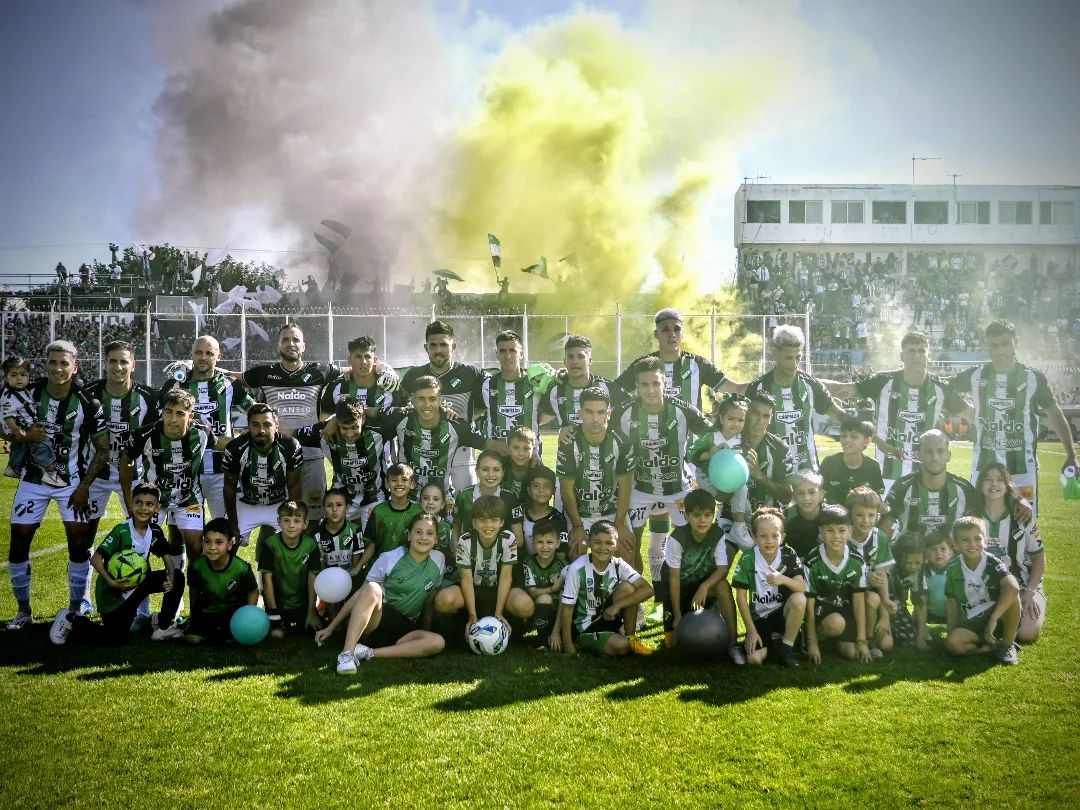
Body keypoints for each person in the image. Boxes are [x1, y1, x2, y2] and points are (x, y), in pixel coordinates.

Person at [6, 340, 110, 629]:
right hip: (33, 480)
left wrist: (84, 487)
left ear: (74, 366)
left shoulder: (89, 403)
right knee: (19, 542)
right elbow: (2, 423)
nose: (58, 368)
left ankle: (76, 608)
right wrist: (23, 437)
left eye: (64, 363)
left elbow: (103, 449)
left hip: (72, 483)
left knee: (78, 545)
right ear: (46, 365)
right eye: (53, 362)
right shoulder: (28, 392)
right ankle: (23, 611)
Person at [945, 319, 1077, 510]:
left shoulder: (1033, 378)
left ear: (1016, 343)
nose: (1000, 351)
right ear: (987, 346)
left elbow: (1054, 414)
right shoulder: (976, 376)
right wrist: (967, 411)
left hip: (1022, 471)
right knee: (980, 528)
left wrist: (1071, 454)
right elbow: (944, 390)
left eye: (1006, 344)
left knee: (1023, 527)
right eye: (994, 345)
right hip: (983, 470)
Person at [48, 483, 185, 646]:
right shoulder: (121, 531)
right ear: (131, 505)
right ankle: (71, 618)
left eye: (149, 504)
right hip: (114, 592)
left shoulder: (155, 531)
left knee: (178, 576)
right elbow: (96, 559)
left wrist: (169, 577)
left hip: (138, 585)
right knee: (115, 639)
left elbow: (168, 560)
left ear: (157, 508)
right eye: (138, 503)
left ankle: (163, 626)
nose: (143, 508)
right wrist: (112, 582)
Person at [615, 355, 710, 577]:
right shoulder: (623, 412)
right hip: (639, 489)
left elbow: (712, 434)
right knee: (629, 545)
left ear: (664, 383)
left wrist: (712, 450)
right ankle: (635, 599)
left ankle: (680, 599)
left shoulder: (684, 410)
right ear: (636, 386)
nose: (650, 390)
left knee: (691, 545)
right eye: (644, 385)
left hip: (678, 488)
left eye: (656, 383)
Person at [317, 513, 448, 674]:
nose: (423, 537)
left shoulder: (439, 560)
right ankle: (347, 654)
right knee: (372, 588)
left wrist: (425, 627)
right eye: (418, 532)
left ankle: (368, 653)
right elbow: (362, 594)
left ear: (435, 539)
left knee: (437, 642)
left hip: (405, 629)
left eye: (430, 533)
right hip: (376, 620)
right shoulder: (390, 558)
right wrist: (331, 627)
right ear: (409, 535)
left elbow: (430, 597)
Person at [823, 331, 953, 492]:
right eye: (911, 351)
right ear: (901, 355)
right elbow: (842, 389)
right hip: (886, 476)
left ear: (929, 355)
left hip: (926, 477)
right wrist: (807, 379)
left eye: (921, 350)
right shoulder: (883, 381)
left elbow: (971, 413)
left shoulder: (941, 388)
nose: (916, 355)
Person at [241, 324, 343, 520]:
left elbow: (351, 372)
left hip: (311, 456)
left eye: (296, 340)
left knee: (313, 518)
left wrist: (380, 366)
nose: (291, 344)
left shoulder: (320, 371)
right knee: (271, 521)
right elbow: (233, 381)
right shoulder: (263, 373)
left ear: (303, 346)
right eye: (285, 340)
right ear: (277, 346)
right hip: (275, 457)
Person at [160, 335, 256, 522]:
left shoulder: (229, 384)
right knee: (180, 531)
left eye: (209, 353)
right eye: (199, 352)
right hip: (185, 471)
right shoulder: (177, 384)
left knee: (223, 527)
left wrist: (246, 438)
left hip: (222, 471)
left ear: (218, 357)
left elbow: (256, 412)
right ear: (192, 355)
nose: (203, 357)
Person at [121, 388, 212, 570]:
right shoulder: (144, 434)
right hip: (153, 501)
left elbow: (224, 444)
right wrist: (129, 500)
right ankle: (140, 596)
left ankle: (192, 594)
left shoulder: (203, 433)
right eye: (168, 412)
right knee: (140, 550)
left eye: (180, 413)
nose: (172, 419)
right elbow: (126, 462)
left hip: (188, 499)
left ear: (190, 415)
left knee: (195, 546)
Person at [396, 320, 487, 491]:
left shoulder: (471, 374)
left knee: (463, 505)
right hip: (421, 456)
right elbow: (399, 407)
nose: (438, 350)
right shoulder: (413, 375)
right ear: (426, 347)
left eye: (443, 345)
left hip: (461, 454)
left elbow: (482, 407)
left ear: (454, 346)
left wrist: (457, 423)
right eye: (433, 345)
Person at [377, 375, 501, 498]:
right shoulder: (401, 417)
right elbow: (369, 413)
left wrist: (515, 452)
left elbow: (488, 444)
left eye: (432, 399)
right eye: (421, 399)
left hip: (441, 499)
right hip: (407, 498)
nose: (427, 405)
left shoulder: (456, 425)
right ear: (413, 400)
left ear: (440, 400)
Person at [745, 324, 848, 472]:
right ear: (775, 353)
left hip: (807, 474)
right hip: (771, 473)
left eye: (798, 358)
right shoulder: (758, 388)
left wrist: (868, 432)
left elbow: (838, 414)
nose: (794, 364)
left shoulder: (812, 385)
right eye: (788, 358)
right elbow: (746, 430)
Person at [83, 341, 160, 537]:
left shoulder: (148, 397)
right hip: (95, 476)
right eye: (113, 361)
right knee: (84, 536)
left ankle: (139, 568)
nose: (118, 367)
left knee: (141, 532)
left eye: (124, 362)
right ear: (105, 364)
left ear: (133, 365)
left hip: (135, 476)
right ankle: (84, 568)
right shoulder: (88, 395)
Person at [659, 489, 744, 664]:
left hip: (700, 588)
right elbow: (673, 578)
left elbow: (722, 568)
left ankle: (733, 644)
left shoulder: (718, 534)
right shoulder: (676, 538)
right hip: (677, 591)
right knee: (672, 644)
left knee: (723, 586)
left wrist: (704, 586)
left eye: (707, 515)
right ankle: (677, 618)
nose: (703, 520)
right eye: (696, 515)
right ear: (687, 516)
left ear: (713, 515)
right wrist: (677, 616)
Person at [434, 494, 533, 640]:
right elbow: (466, 580)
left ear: (501, 522)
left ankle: (509, 622)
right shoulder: (465, 540)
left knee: (526, 606)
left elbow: (506, 577)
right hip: (474, 589)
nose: (488, 525)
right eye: (482, 520)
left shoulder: (508, 539)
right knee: (443, 600)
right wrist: (472, 614)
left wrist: (498, 613)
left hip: (498, 590)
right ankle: (464, 620)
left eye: (494, 520)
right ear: (474, 522)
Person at [556, 387, 633, 560]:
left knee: (627, 551)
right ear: (580, 413)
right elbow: (566, 491)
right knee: (577, 551)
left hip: (611, 510)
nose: (595, 419)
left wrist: (619, 524)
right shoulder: (569, 442)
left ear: (609, 414)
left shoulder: (621, 441)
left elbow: (625, 487)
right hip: (580, 514)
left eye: (601, 412)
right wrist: (577, 526)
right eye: (589, 412)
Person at [559, 520, 654, 657]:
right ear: (589, 543)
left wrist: (617, 606)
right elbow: (567, 608)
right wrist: (568, 646)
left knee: (629, 588)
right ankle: (580, 642)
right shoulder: (577, 568)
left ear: (616, 545)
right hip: (585, 626)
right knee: (621, 647)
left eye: (609, 543)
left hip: (607, 616)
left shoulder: (618, 564)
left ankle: (631, 638)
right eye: (597, 542)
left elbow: (648, 589)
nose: (603, 548)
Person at [974, 462, 1045, 644]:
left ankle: (1029, 602)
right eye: (988, 479)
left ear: (1007, 485)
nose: (993, 484)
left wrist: (1029, 591)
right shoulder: (971, 517)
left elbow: (1038, 557)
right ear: (980, 484)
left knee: (1027, 634)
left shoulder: (1022, 516)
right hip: (985, 588)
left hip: (1022, 584)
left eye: (999, 480)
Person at [731, 507, 806, 668]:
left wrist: (782, 579)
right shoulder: (748, 558)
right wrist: (751, 630)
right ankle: (774, 642)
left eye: (775, 536)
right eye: (763, 536)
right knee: (754, 660)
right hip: (760, 618)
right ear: (754, 536)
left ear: (783, 537)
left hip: (783, 612)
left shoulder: (788, 554)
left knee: (799, 599)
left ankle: (786, 650)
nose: (769, 541)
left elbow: (801, 587)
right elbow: (741, 597)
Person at [223, 403, 304, 548]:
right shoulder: (235, 448)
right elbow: (229, 488)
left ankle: (269, 570)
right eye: (255, 425)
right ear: (248, 427)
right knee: (226, 544)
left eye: (267, 424)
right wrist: (233, 526)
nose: (261, 430)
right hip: (246, 504)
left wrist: (293, 519)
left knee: (295, 545)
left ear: (276, 425)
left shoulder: (291, 446)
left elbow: (294, 486)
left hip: (279, 503)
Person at [943, 516, 1021, 665]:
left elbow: (1013, 587)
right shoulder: (952, 568)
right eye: (965, 540)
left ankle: (1007, 645)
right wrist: (950, 634)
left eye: (977, 539)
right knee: (954, 644)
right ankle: (991, 647)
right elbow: (951, 603)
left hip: (997, 617)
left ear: (985, 541)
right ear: (955, 545)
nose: (972, 544)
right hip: (972, 621)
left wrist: (993, 618)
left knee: (1011, 594)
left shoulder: (992, 562)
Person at [297, 397, 386, 527]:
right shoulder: (324, 431)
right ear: (338, 423)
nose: (349, 434)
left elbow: (404, 413)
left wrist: (333, 419)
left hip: (375, 497)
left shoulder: (379, 429)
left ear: (364, 420)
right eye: (344, 428)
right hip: (343, 498)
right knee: (331, 539)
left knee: (374, 541)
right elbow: (294, 435)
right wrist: (331, 421)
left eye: (354, 427)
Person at [803, 505, 871, 664]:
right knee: (835, 623)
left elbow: (859, 601)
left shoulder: (857, 561)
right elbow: (809, 605)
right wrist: (811, 642)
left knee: (853, 653)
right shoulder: (812, 562)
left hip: (844, 611)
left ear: (850, 530)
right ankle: (816, 637)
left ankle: (835, 642)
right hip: (823, 613)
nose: (836, 536)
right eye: (830, 530)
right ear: (821, 531)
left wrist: (862, 641)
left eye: (841, 530)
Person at [879, 430, 976, 539]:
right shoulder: (903, 485)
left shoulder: (964, 488)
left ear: (948, 456)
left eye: (940, 451)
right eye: (929, 452)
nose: (935, 457)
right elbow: (882, 530)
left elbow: (976, 530)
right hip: (909, 554)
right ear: (919, 456)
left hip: (950, 554)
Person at [686, 393, 751, 547]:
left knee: (743, 491)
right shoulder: (710, 436)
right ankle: (701, 533)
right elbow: (691, 454)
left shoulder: (742, 441)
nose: (736, 424)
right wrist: (710, 453)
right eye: (731, 419)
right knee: (709, 503)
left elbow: (743, 463)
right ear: (721, 418)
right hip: (707, 477)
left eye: (740, 420)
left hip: (731, 480)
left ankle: (740, 526)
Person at [184, 518, 260, 644]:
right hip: (208, 611)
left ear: (229, 545)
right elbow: (194, 591)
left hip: (233, 613)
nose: (212, 547)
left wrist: (247, 618)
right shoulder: (197, 567)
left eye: (219, 542)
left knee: (232, 641)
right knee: (192, 639)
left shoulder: (241, 568)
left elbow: (253, 591)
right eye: (207, 542)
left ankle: (223, 633)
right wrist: (194, 616)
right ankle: (209, 631)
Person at [477, 329, 554, 449]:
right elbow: (473, 414)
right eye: (503, 351)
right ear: (497, 354)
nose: (508, 356)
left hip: (529, 458)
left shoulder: (535, 382)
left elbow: (552, 409)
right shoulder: (486, 384)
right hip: (496, 460)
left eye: (512, 351)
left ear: (521, 354)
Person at [258, 500, 321, 639]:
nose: (291, 525)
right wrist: (274, 612)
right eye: (286, 520)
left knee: (313, 631)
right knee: (277, 635)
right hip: (278, 603)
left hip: (302, 604)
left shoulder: (310, 545)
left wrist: (311, 611)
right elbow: (266, 579)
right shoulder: (270, 544)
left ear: (305, 523)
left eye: (297, 521)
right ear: (278, 521)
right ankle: (276, 620)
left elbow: (313, 579)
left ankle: (311, 615)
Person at [846, 487, 895, 657]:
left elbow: (881, 573)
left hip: (869, 592)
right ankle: (854, 636)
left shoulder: (879, 537)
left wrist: (886, 598)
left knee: (887, 645)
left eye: (871, 515)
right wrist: (867, 577)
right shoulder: (843, 536)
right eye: (859, 515)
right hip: (845, 589)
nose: (866, 520)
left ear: (877, 515)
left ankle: (869, 638)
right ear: (850, 514)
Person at [1, 355, 61, 485]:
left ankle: (13, 467)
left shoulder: (23, 390)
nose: (19, 378)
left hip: (22, 425)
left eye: (23, 375)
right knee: (41, 444)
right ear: (5, 377)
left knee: (21, 446)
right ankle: (50, 474)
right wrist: (17, 430)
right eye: (13, 375)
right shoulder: (8, 396)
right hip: (19, 426)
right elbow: (7, 416)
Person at [542, 334, 623, 429]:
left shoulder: (607, 388)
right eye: (570, 357)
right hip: (568, 444)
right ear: (565, 361)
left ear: (590, 361)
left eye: (581, 356)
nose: (575, 361)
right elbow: (538, 418)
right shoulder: (554, 390)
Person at [451, 449, 525, 551]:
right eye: (485, 469)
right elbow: (456, 525)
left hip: (501, 556)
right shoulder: (464, 495)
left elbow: (519, 540)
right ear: (476, 471)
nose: (491, 474)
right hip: (469, 555)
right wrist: (456, 545)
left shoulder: (510, 498)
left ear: (503, 472)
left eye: (496, 469)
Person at [738, 389, 793, 512]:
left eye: (766, 416)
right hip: (731, 518)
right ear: (746, 413)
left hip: (768, 520)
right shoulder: (731, 442)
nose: (760, 421)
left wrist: (759, 476)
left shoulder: (780, 448)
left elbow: (787, 497)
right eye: (755, 414)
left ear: (771, 418)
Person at [318, 335, 396, 420]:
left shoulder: (389, 385)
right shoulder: (336, 387)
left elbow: (402, 417)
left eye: (367, 356)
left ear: (374, 360)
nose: (363, 362)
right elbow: (323, 422)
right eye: (358, 356)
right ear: (349, 360)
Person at [519, 516, 567, 649]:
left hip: (557, 611)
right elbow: (533, 592)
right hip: (536, 608)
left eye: (550, 542)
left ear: (558, 543)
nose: (545, 547)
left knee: (563, 596)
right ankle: (537, 639)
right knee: (544, 598)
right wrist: (553, 588)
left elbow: (566, 598)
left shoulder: (564, 566)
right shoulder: (528, 563)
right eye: (540, 542)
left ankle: (556, 633)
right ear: (533, 542)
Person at [313, 488, 370, 597]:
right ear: (324, 509)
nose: (334, 509)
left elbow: (355, 564)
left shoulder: (355, 531)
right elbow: (318, 566)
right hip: (325, 581)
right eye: (329, 506)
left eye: (339, 505)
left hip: (348, 579)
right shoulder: (316, 534)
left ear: (347, 508)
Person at [819, 417, 884, 506]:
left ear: (866, 441)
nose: (847, 440)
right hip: (834, 516)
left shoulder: (873, 466)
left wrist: (883, 506)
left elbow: (877, 496)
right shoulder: (829, 463)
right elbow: (819, 493)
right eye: (844, 435)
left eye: (854, 437)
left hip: (861, 517)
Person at [362, 463, 423, 557]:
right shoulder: (378, 511)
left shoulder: (418, 512)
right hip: (381, 564)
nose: (399, 483)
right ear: (387, 484)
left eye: (404, 480)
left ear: (412, 484)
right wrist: (358, 567)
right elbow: (371, 543)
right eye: (394, 480)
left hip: (407, 565)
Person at [911, 529, 953, 648]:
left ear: (951, 552)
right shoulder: (922, 571)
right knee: (919, 602)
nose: (938, 553)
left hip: (953, 611)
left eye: (943, 549)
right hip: (928, 611)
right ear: (926, 553)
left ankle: (952, 631)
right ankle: (922, 630)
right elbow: (920, 603)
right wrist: (920, 640)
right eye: (933, 549)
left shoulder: (956, 569)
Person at [519, 465, 569, 557]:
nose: (541, 490)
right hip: (524, 568)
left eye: (546, 486)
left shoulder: (558, 518)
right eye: (536, 485)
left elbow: (561, 553)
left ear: (553, 490)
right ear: (529, 489)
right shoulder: (520, 514)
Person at [783, 470, 828, 559]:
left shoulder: (831, 515)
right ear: (794, 496)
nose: (806, 498)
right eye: (800, 493)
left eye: (812, 492)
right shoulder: (787, 517)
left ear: (821, 494)